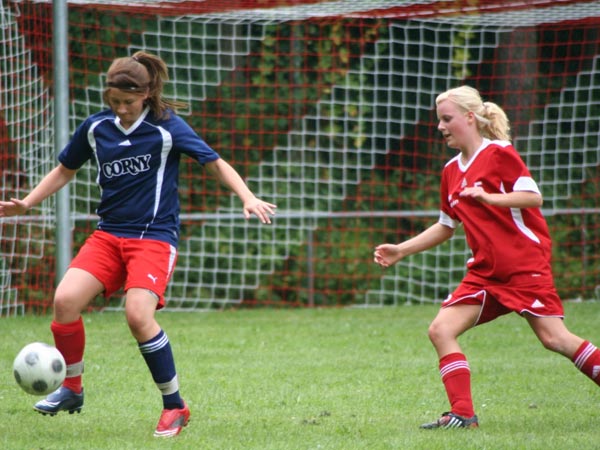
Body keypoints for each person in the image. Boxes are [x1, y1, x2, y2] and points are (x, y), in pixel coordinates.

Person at [0, 51, 276, 438]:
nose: (121, 109)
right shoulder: (96, 127)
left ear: (146, 94)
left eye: (128, 102)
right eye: (114, 101)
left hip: (153, 237)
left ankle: (174, 406)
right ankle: (72, 389)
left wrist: (247, 196)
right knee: (65, 301)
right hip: (109, 235)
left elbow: (213, 162)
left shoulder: (167, 127)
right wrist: (28, 203)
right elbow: (65, 169)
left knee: (137, 316)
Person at [373, 85, 600, 429]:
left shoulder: (499, 153)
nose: (440, 126)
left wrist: (491, 198)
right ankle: (463, 415)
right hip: (484, 273)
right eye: (439, 120)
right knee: (441, 330)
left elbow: (533, 197)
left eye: (446, 119)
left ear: (470, 117)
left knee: (555, 339)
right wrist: (401, 250)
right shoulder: (451, 170)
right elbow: (446, 225)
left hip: (523, 266)